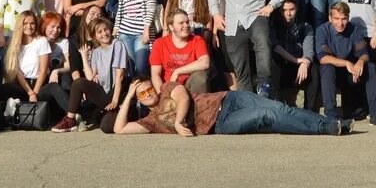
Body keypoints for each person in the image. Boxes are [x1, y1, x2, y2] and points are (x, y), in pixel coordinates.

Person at [111, 76, 348, 136]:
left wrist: (177, 121)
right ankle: (325, 129)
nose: (148, 93)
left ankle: (331, 123)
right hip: (221, 124)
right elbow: (119, 130)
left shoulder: (166, 88)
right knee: (268, 115)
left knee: (279, 107)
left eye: (148, 88)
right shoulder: (151, 122)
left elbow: (183, 98)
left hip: (227, 99)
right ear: (139, 99)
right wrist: (129, 95)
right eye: (142, 94)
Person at [51, 16, 128, 132]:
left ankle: (117, 112)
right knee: (78, 83)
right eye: (99, 32)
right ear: (94, 36)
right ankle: (70, 119)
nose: (104, 34)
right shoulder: (96, 52)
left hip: (117, 93)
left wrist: (115, 100)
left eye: (106, 29)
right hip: (104, 93)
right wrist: (84, 56)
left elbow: (120, 76)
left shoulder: (117, 44)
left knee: (106, 127)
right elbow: (90, 77)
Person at [316, 2, 376, 127]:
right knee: (327, 68)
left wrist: (361, 61)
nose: (340, 23)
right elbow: (322, 58)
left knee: (371, 67)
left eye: (344, 19)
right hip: (333, 74)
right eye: (336, 19)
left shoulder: (354, 29)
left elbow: (364, 53)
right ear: (330, 18)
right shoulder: (322, 30)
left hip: (351, 74)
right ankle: (331, 116)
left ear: (348, 17)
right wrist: (346, 63)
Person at [271, 0, 320, 110]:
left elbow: (308, 50)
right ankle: (277, 107)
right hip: (283, 67)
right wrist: (297, 60)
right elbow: (276, 48)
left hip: (298, 71)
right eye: (284, 10)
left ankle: (309, 110)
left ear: (296, 9)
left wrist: (305, 63)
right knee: (273, 62)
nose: (288, 13)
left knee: (315, 69)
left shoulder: (306, 27)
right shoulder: (274, 26)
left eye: (291, 9)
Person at [149, 10, 211, 96]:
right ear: (171, 27)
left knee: (201, 77)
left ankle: (198, 107)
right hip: (170, 88)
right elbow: (155, 74)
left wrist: (177, 71)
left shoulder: (197, 40)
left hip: (191, 86)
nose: (186, 25)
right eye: (181, 23)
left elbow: (205, 63)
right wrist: (163, 95)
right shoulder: (160, 43)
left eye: (187, 22)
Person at [113, 0, 156, 78]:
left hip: (141, 33)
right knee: (131, 68)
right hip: (125, 32)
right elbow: (120, 10)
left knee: (141, 67)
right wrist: (116, 28)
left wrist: (147, 28)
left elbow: (151, 5)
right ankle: (137, 96)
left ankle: (147, 96)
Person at [0, 10, 50, 102]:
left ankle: (72, 114)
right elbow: (18, 73)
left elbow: (43, 71)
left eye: (32, 23)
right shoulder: (15, 45)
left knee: (54, 88)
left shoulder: (42, 41)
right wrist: (30, 93)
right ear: (20, 25)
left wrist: (35, 92)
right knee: (4, 88)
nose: (29, 26)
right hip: (24, 85)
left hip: (39, 83)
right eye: (25, 23)